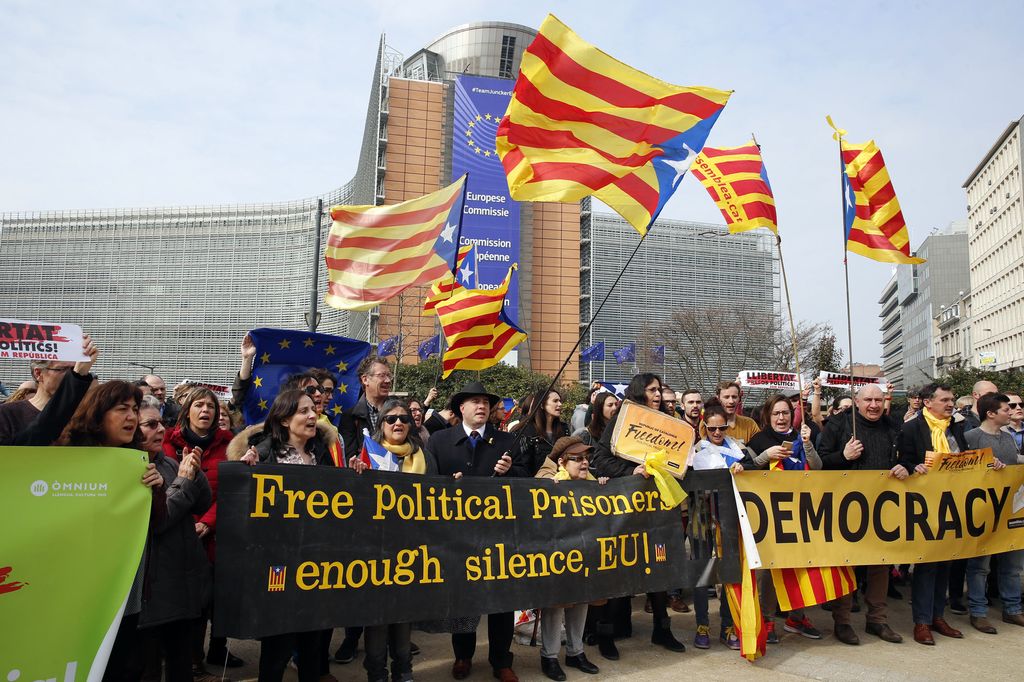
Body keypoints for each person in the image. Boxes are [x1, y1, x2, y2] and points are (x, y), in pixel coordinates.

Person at [56, 381, 165, 681]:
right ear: (97, 414)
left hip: (125, 596)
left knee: (123, 667)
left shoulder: (139, 463)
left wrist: (156, 491)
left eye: (134, 409)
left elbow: (156, 524)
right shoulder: (65, 459)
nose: (131, 416)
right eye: (121, 409)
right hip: (76, 594)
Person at [425, 381, 525, 682]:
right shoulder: (440, 441)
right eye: (474, 401)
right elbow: (427, 484)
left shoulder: (506, 441)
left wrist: (512, 472)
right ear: (461, 408)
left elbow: (526, 480)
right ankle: (463, 656)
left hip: (499, 536)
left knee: (500, 601)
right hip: (457, 536)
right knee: (463, 599)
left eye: (485, 401)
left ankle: (501, 660)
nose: (481, 406)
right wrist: (447, 483)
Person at [237, 389, 338, 682]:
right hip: (277, 565)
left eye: (313, 410)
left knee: (312, 645)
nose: (312, 416)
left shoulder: (322, 456)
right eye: (303, 411)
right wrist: (247, 474)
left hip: (315, 565)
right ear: (283, 419)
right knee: (277, 647)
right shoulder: (264, 456)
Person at [591, 373, 686, 657]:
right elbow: (601, 459)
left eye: (659, 390)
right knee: (619, 572)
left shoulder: (672, 425)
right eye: (652, 389)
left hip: (659, 511)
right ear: (638, 392)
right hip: (626, 511)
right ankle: (606, 634)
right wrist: (631, 472)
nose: (658, 394)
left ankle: (662, 629)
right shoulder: (623, 421)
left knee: (659, 569)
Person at [348, 399, 435, 682]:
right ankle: (376, 671)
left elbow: (436, 499)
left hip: (412, 548)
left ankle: (403, 669)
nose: (397, 423)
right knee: (378, 615)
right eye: (390, 419)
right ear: (381, 425)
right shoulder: (366, 455)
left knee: (403, 613)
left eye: (403, 419)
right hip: (375, 547)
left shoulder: (425, 456)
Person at [161, 387, 242, 671]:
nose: (205, 410)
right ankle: (191, 661)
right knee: (189, 604)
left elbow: (232, 492)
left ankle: (214, 653)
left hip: (216, 534)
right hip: (177, 531)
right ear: (187, 410)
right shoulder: (166, 442)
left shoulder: (230, 444)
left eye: (210, 406)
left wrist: (207, 521)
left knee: (217, 599)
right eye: (199, 405)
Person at [818, 384, 905, 645]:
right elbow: (820, 463)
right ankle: (842, 622)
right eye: (868, 400)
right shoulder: (838, 424)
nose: (874, 405)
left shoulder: (892, 425)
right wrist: (843, 456)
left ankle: (877, 620)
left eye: (878, 400)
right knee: (847, 564)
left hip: (882, 507)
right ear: (857, 401)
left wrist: (906, 466)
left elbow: (908, 457)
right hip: (847, 507)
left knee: (880, 565)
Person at [136, 395, 214, 682]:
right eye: (151, 424)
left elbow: (202, 504)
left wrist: (195, 470)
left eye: (162, 423)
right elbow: (161, 521)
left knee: (181, 667)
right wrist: (183, 481)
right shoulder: (136, 469)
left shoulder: (168, 463)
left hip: (181, 588)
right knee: (149, 670)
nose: (160, 430)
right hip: (153, 593)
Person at [747, 394, 823, 643]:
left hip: (800, 512)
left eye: (786, 413)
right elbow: (747, 471)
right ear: (768, 417)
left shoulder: (803, 435)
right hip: (768, 516)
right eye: (776, 414)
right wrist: (765, 456)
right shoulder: (759, 440)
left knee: (798, 565)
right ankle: (767, 620)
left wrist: (808, 444)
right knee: (767, 571)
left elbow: (818, 467)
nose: (781, 418)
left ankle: (796, 617)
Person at [897, 382, 968, 646]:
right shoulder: (912, 428)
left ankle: (938, 616)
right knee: (926, 566)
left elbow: (967, 459)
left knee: (945, 564)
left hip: (952, 503)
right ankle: (922, 622)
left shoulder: (956, 427)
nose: (951, 404)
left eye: (952, 400)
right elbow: (902, 461)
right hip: (924, 507)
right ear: (928, 402)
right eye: (945, 400)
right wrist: (912, 466)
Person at [534, 436, 605, 680]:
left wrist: (606, 485)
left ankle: (576, 651)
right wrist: (548, 484)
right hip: (557, 555)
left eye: (587, 458)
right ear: (563, 462)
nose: (585, 463)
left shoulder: (593, 482)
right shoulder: (550, 480)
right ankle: (550, 656)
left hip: (584, 554)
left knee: (582, 601)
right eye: (578, 459)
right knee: (555, 606)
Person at [963, 392, 1024, 634]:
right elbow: (961, 469)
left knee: (1013, 564)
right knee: (980, 566)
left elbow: (1013, 462)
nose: (1011, 412)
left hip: (1010, 511)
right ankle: (978, 612)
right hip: (983, 513)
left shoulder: (1008, 438)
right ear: (991, 413)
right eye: (1006, 409)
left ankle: (1012, 608)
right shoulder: (971, 437)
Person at [688, 404, 746, 650]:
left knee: (730, 571)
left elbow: (754, 471)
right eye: (712, 428)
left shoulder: (738, 449)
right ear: (705, 427)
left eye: (721, 427)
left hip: (730, 518)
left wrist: (745, 469)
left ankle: (727, 625)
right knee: (703, 571)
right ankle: (702, 625)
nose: (717, 432)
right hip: (701, 516)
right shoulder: (694, 451)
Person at [0, 333, 97, 444]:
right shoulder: (6, 415)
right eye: (63, 369)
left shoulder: (84, 417)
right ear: (39, 373)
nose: (70, 375)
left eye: (73, 369)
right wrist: (77, 375)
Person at [515, 389, 570, 475]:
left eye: (560, 401)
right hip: (534, 484)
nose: (560, 404)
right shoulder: (525, 430)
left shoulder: (564, 429)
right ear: (542, 405)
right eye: (555, 401)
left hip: (560, 483)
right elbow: (523, 466)